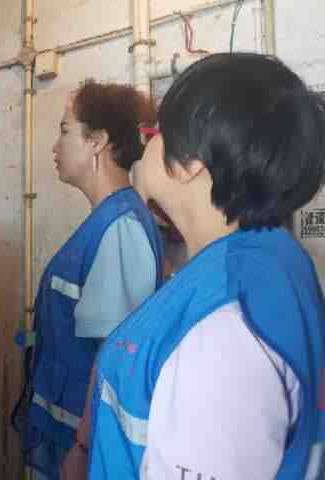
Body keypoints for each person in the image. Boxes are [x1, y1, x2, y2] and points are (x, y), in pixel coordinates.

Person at [89, 53, 325, 479]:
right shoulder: (270, 259)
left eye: (155, 132)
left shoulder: (223, 327)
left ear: (193, 162)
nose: (145, 145)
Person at [12, 81, 164, 480]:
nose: (55, 146)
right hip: (62, 435)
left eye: (65, 130)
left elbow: (116, 355)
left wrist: (82, 448)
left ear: (97, 141)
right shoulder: (105, 222)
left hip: (85, 449)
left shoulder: (120, 227)